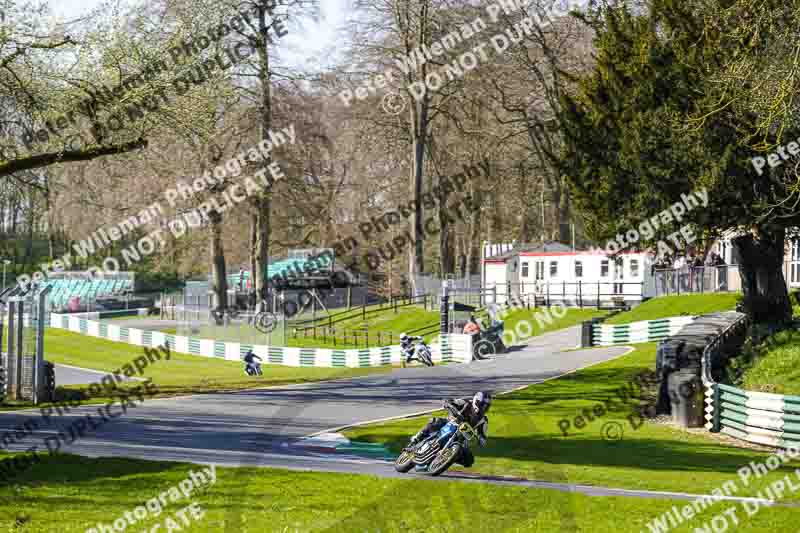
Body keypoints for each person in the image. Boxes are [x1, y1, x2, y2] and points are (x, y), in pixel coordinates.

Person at [409, 392, 492, 468]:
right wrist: (449, 405)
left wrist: (481, 440)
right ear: (476, 401)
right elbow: (450, 401)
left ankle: (449, 459)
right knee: (435, 421)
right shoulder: (465, 403)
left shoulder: (483, 420)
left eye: (486, 406)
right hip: (450, 423)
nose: (483, 408)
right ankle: (417, 437)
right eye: (482, 405)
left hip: (462, 438)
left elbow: (482, 435)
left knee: (469, 461)